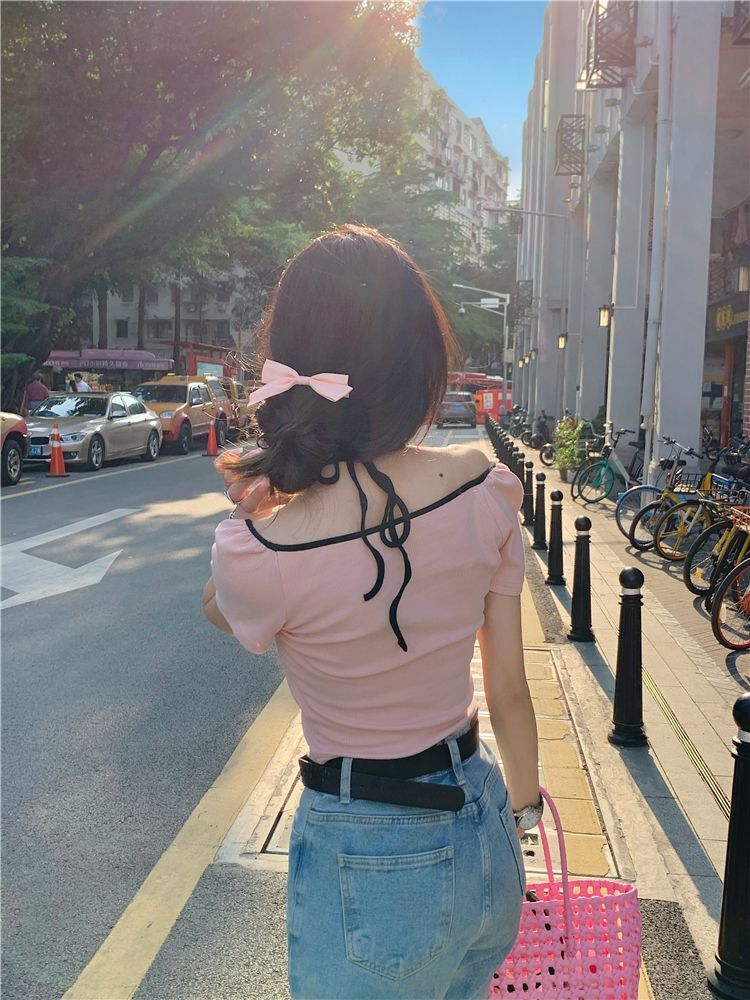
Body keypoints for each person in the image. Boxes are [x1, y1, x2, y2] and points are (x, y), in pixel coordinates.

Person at [203, 225, 540, 999]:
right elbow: (511, 691)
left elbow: (220, 608)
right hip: (486, 822)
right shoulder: (487, 487)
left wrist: (260, 508)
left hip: (368, 848)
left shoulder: (263, 549)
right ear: (418, 362)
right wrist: (522, 814)